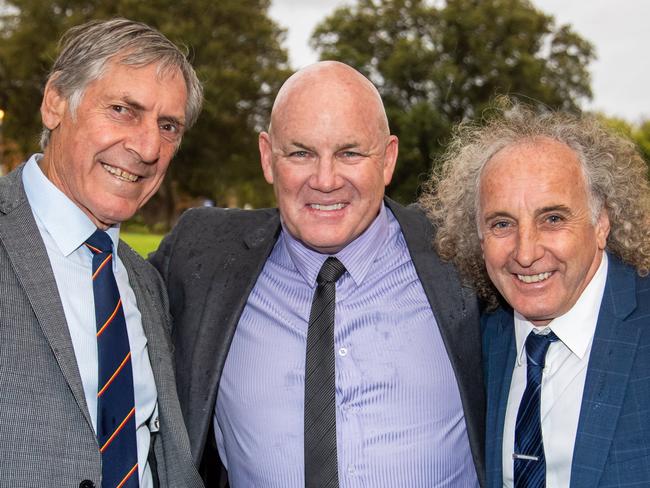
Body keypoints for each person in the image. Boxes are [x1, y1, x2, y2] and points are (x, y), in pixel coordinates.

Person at [151, 61, 485, 487]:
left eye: (349, 153)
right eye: (301, 153)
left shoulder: (461, 256)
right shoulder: (202, 257)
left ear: (387, 159)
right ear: (267, 158)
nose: (325, 180)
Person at [0, 18, 204, 487]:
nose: (149, 146)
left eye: (168, 125)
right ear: (55, 102)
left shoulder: (144, 281)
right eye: (122, 109)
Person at [420, 102, 650, 487]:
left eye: (553, 219)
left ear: (602, 223)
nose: (525, 253)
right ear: (477, 235)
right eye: (502, 223)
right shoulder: (479, 340)